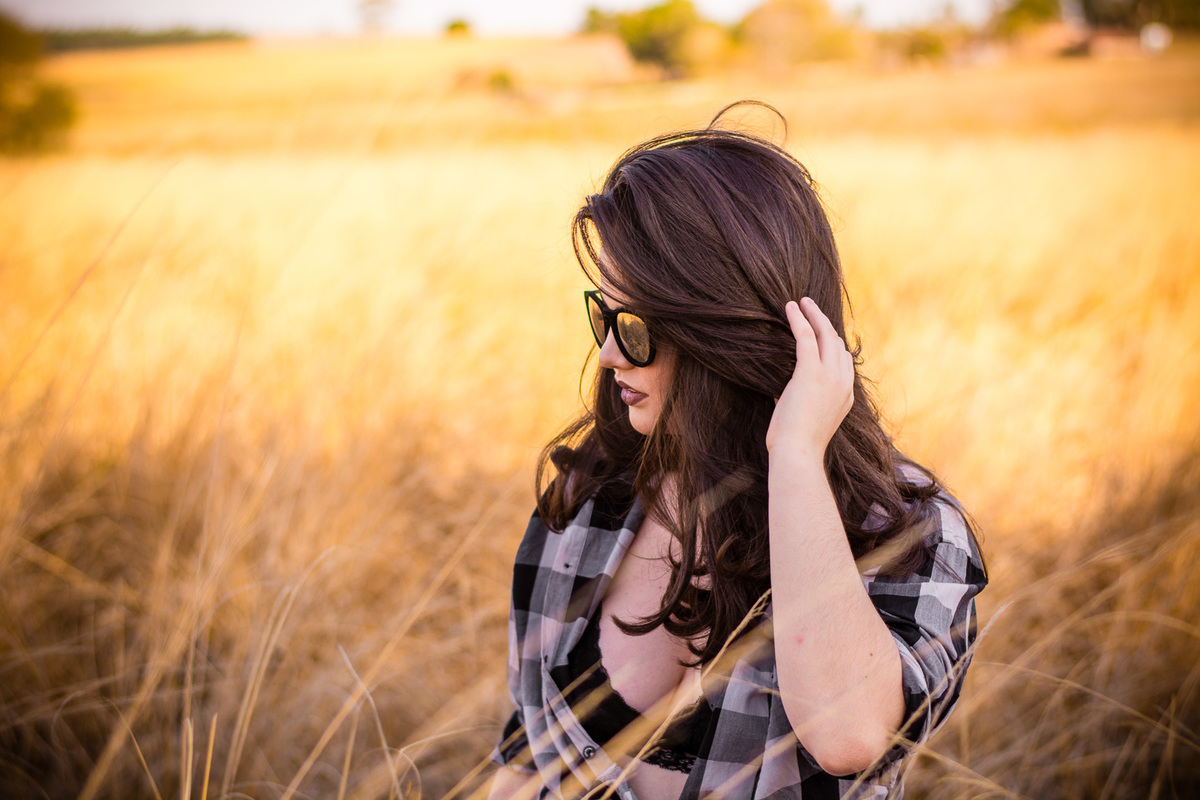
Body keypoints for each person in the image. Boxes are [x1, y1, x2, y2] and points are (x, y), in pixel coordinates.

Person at [487, 104, 987, 800]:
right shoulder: (595, 493)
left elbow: (848, 739)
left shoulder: (908, 535)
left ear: (721, 330)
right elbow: (528, 752)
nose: (605, 355)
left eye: (632, 325)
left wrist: (795, 459)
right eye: (601, 315)